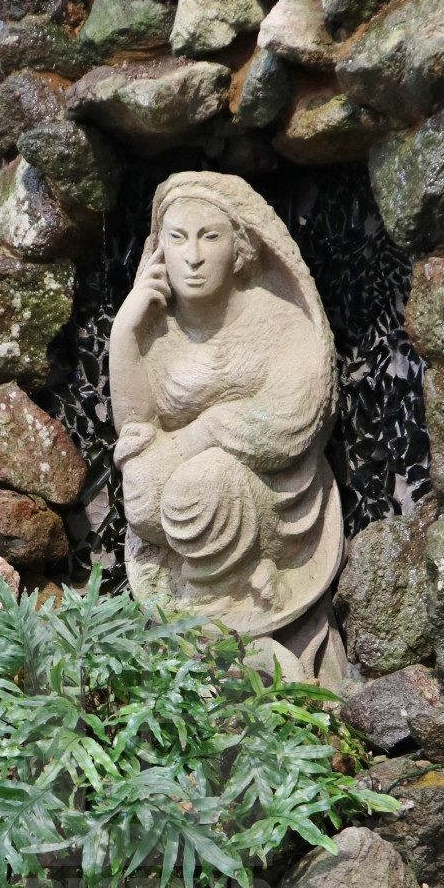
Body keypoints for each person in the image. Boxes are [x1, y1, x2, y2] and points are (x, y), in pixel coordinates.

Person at [109, 170, 343, 637]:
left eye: (209, 237)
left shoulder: (278, 320)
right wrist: (124, 336)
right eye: (178, 239)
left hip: (272, 494)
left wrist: (203, 432)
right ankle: (204, 581)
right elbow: (137, 430)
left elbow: (295, 420)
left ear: (239, 250)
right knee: (140, 487)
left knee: (204, 481)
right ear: (161, 251)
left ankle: (237, 583)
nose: (193, 257)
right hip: (180, 496)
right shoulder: (159, 327)